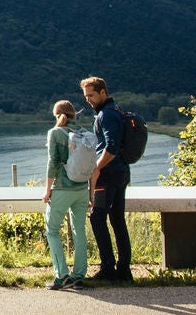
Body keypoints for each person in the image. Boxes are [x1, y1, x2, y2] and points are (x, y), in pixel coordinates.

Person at [81, 75, 133, 283]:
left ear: (103, 92)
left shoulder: (106, 115)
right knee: (118, 219)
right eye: (86, 96)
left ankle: (108, 268)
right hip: (121, 172)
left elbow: (111, 147)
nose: (88, 100)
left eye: (91, 95)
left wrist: (96, 168)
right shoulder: (117, 110)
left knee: (97, 217)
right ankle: (124, 271)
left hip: (108, 175)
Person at [41, 99, 89, 289]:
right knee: (80, 232)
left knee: (52, 230)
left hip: (62, 188)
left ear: (56, 115)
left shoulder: (55, 133)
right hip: (82, 189)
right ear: (74, 115)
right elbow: (91, 166)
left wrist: (47, 191)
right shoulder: (84, 133)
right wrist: (91, 193)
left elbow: (53, 163)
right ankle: (79, 276)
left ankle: (62, 276)